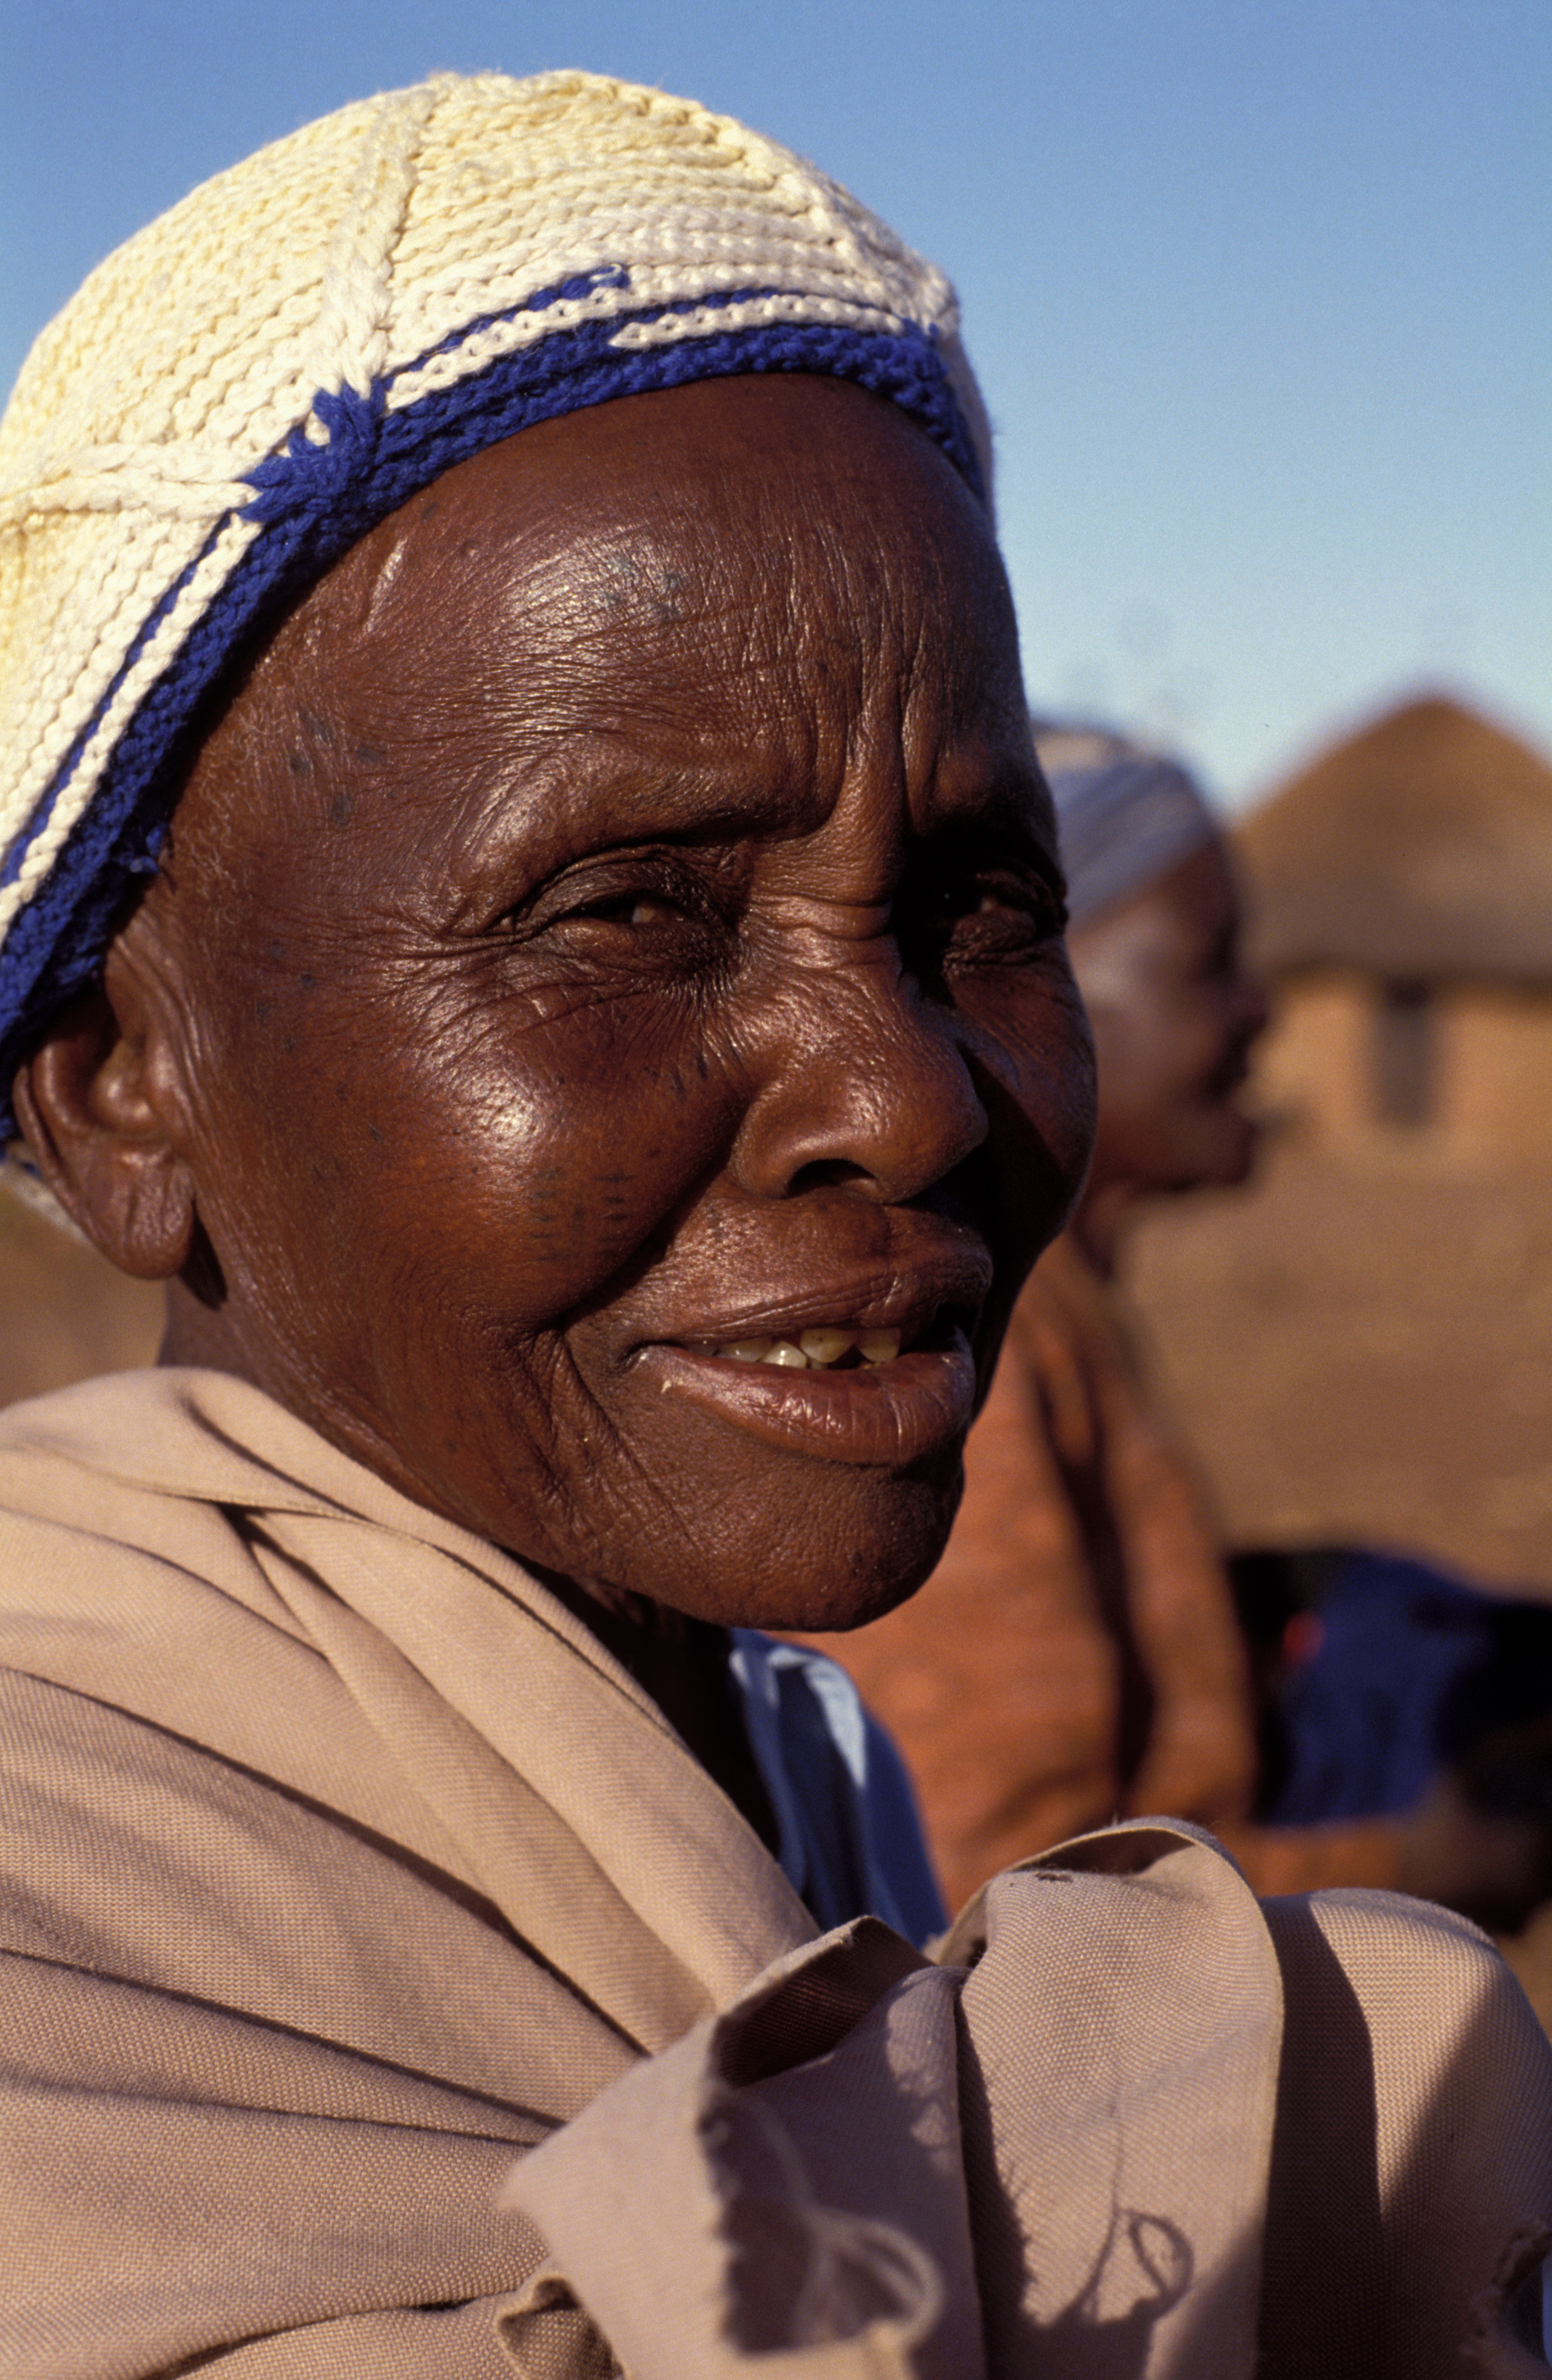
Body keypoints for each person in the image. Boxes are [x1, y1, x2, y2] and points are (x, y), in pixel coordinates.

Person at [0, 74, 1548, 2378]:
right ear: (127, 1086)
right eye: (630, 912)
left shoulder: (777, 1758)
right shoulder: (60, 1937)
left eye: (980, 904)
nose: (909, 1098)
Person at [818, 726, 1552, 1931]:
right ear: (1035, 995)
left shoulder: (1050, 1303)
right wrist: (1422, 1863)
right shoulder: (977, 1359)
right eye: (1209, 966)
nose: (1261, 1009)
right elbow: (1002, 1903)